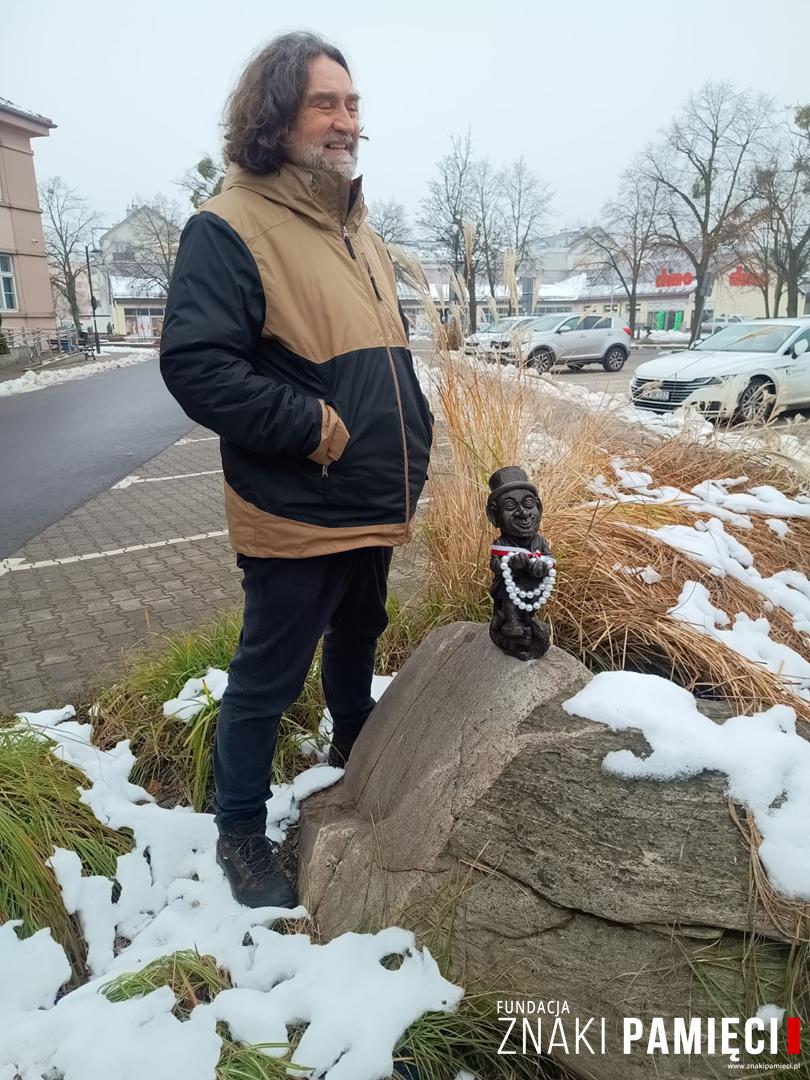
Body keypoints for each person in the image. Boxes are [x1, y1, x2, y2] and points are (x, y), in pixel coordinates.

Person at [160, 32, 433, 909]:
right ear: (275, 116)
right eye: (325, 103)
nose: (346, 119)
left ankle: (355, 748)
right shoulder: (228, 225)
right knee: (267, 677)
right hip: (296, 501)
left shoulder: (356, 227)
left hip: (367, 496)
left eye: (352, 103)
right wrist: (316, 427)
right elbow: (198, 366)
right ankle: (240, 833)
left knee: (359, 633)